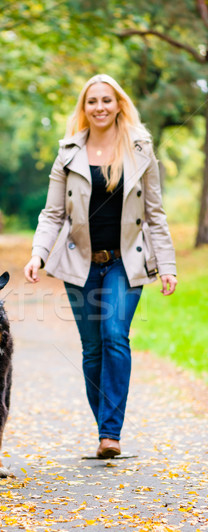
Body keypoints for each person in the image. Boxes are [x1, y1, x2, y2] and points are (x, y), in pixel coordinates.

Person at [24, 74, 177, 458]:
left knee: (114, 336)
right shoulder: (68, 153)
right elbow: (53, 213)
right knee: (92, 350)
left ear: (119, 104)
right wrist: (38, 254)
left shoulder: (141, 150)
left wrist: (168, 265)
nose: (100, 107)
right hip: (81, 264)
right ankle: (104, 427)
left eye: (107, 100)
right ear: (84, 107)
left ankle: (111, 434)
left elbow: (155, 215)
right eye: (92, 101)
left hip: (127, 262)